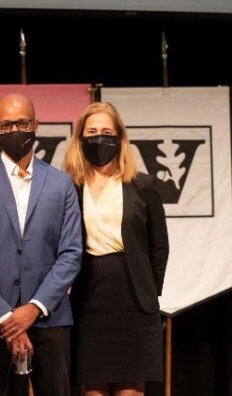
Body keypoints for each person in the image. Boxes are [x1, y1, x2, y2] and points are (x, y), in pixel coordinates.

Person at [0, 93, 82, 396]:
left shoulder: (61, 183)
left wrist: (33, 309)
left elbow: (71, 253)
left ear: (36, 124)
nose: (15, 131)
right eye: (7, 125)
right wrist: (6, 318)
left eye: (22, 123)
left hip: (48, 319)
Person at [63, 102, 169, 396]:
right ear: (80, 138)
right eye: (92, 131)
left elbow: (159, 247)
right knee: (93, 391)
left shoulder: (142, 185)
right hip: (88, 300)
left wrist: (149, 290)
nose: (99, 138)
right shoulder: (70, 186)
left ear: (120, 137)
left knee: (130, 391)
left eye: (107, 132)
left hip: (134, 302)